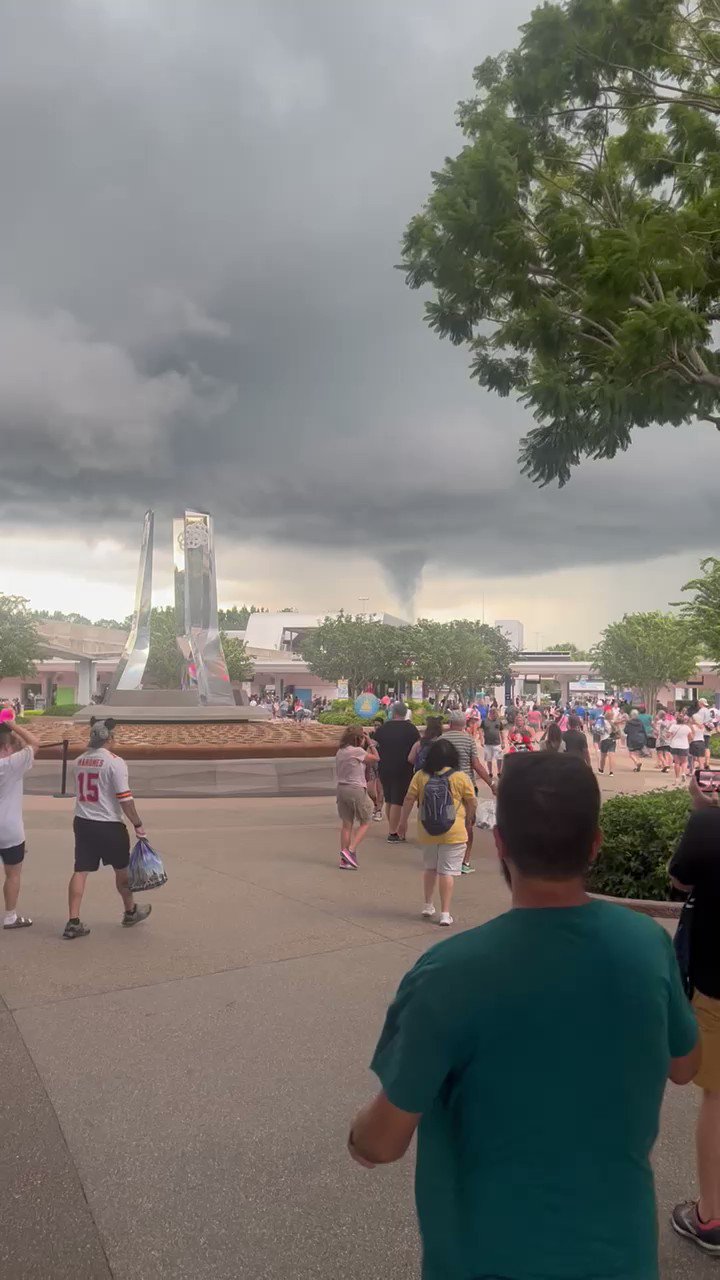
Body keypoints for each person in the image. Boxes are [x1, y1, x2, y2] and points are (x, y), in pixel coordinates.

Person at [348, 753, 700, 1280]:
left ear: (501, 845)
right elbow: (685, 1064)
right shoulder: (646, 945)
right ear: (596, 844)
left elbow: (383, 1140)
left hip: (483, 1258)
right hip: (618, 1252)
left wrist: (358, 1139)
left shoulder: (448, 972)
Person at [669, 774, 720, 1253]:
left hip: (717, 982)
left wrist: (702, 810)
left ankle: (711, 1218)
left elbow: (681, 878)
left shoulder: (709, 823)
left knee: (718, 1099)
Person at [65, 718, 152, 939]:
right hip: (110, 825)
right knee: (121, 870)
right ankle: (130, 911)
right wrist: (138, 824)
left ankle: (73, 920)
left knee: (80, 870)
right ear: (109, 738)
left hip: (83, 822)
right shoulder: (115, 762)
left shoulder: (78, 761)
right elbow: (125, 800)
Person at [396, 738, 476, 927]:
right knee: (446, 872)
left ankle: (427, 904)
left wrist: (402, 823)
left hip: (427, 829)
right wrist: (469, 819)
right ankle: (445, 913)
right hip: (454, 831)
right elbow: (471, 801)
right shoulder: (460, 777)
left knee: (430, 868)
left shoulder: (421, 776)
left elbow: (409, 799)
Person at [443, 711, 496, 873]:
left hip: (446, 786)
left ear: (450, 724)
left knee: (448, 821)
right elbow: (477, 765)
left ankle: (447, 859)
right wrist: (491, 783)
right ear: (464, 725)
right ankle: (465, 861)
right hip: (467, 787)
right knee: (468, 824)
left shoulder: (441, 740)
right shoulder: (468, 739)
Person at [0, 717, 40, 929]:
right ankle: (10, 916)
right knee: (13, 873)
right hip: (10, 830)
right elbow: (34, 743)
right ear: (7, 746)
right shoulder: (12, 765)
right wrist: (12, 724)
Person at [373, 704, 419, 843]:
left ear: (393, 713)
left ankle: (392, 828)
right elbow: (418, 747)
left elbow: (375, 744)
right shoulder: (411, 729)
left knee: (389, 799)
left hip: (384, 767)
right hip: (403, 768)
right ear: (405, 713)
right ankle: (393, 833)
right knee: (398, 800)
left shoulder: (383, 728)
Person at [334, 726, 378, 869]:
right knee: (366, 820)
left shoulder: (340, 751)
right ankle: (350, 850)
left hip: (341, 789)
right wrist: (370, 742)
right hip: (355, 788)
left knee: (347, 825)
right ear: (359, 738)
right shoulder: (357, 751)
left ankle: (344, 860)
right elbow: (376, 758)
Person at [365, 716, 386, 820]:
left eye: (378, 725)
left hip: (382, 764)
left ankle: (379, 811)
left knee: (380, 789)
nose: (376, 727)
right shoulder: (370, 736)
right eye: (375, 725)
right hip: (371, 765)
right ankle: (375, 804)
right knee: (369, 790)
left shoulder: (386, 736)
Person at [479, 705, 505, 781]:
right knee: (489, 758)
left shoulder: (498, 721)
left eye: (496, 714)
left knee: (499, 758)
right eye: (494, 714)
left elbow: (502, 731)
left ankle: (499, 772)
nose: (495, 715)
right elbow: (480, 730)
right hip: (488, 743)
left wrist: (503, 742)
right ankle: (490, 772)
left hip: (497, 743)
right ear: (490, 713)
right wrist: (481, 740)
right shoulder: (485, 721)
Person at [668, 712, 693, 783]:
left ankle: (677, 778)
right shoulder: (687, 728)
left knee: (676, 762)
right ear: (684, 721)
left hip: (674, 745)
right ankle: (683, 773)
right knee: (684, 761)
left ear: (676, 720)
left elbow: (668, 735)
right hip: (684, 746)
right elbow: (691, 737)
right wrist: (688, 741)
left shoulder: (673, 726)